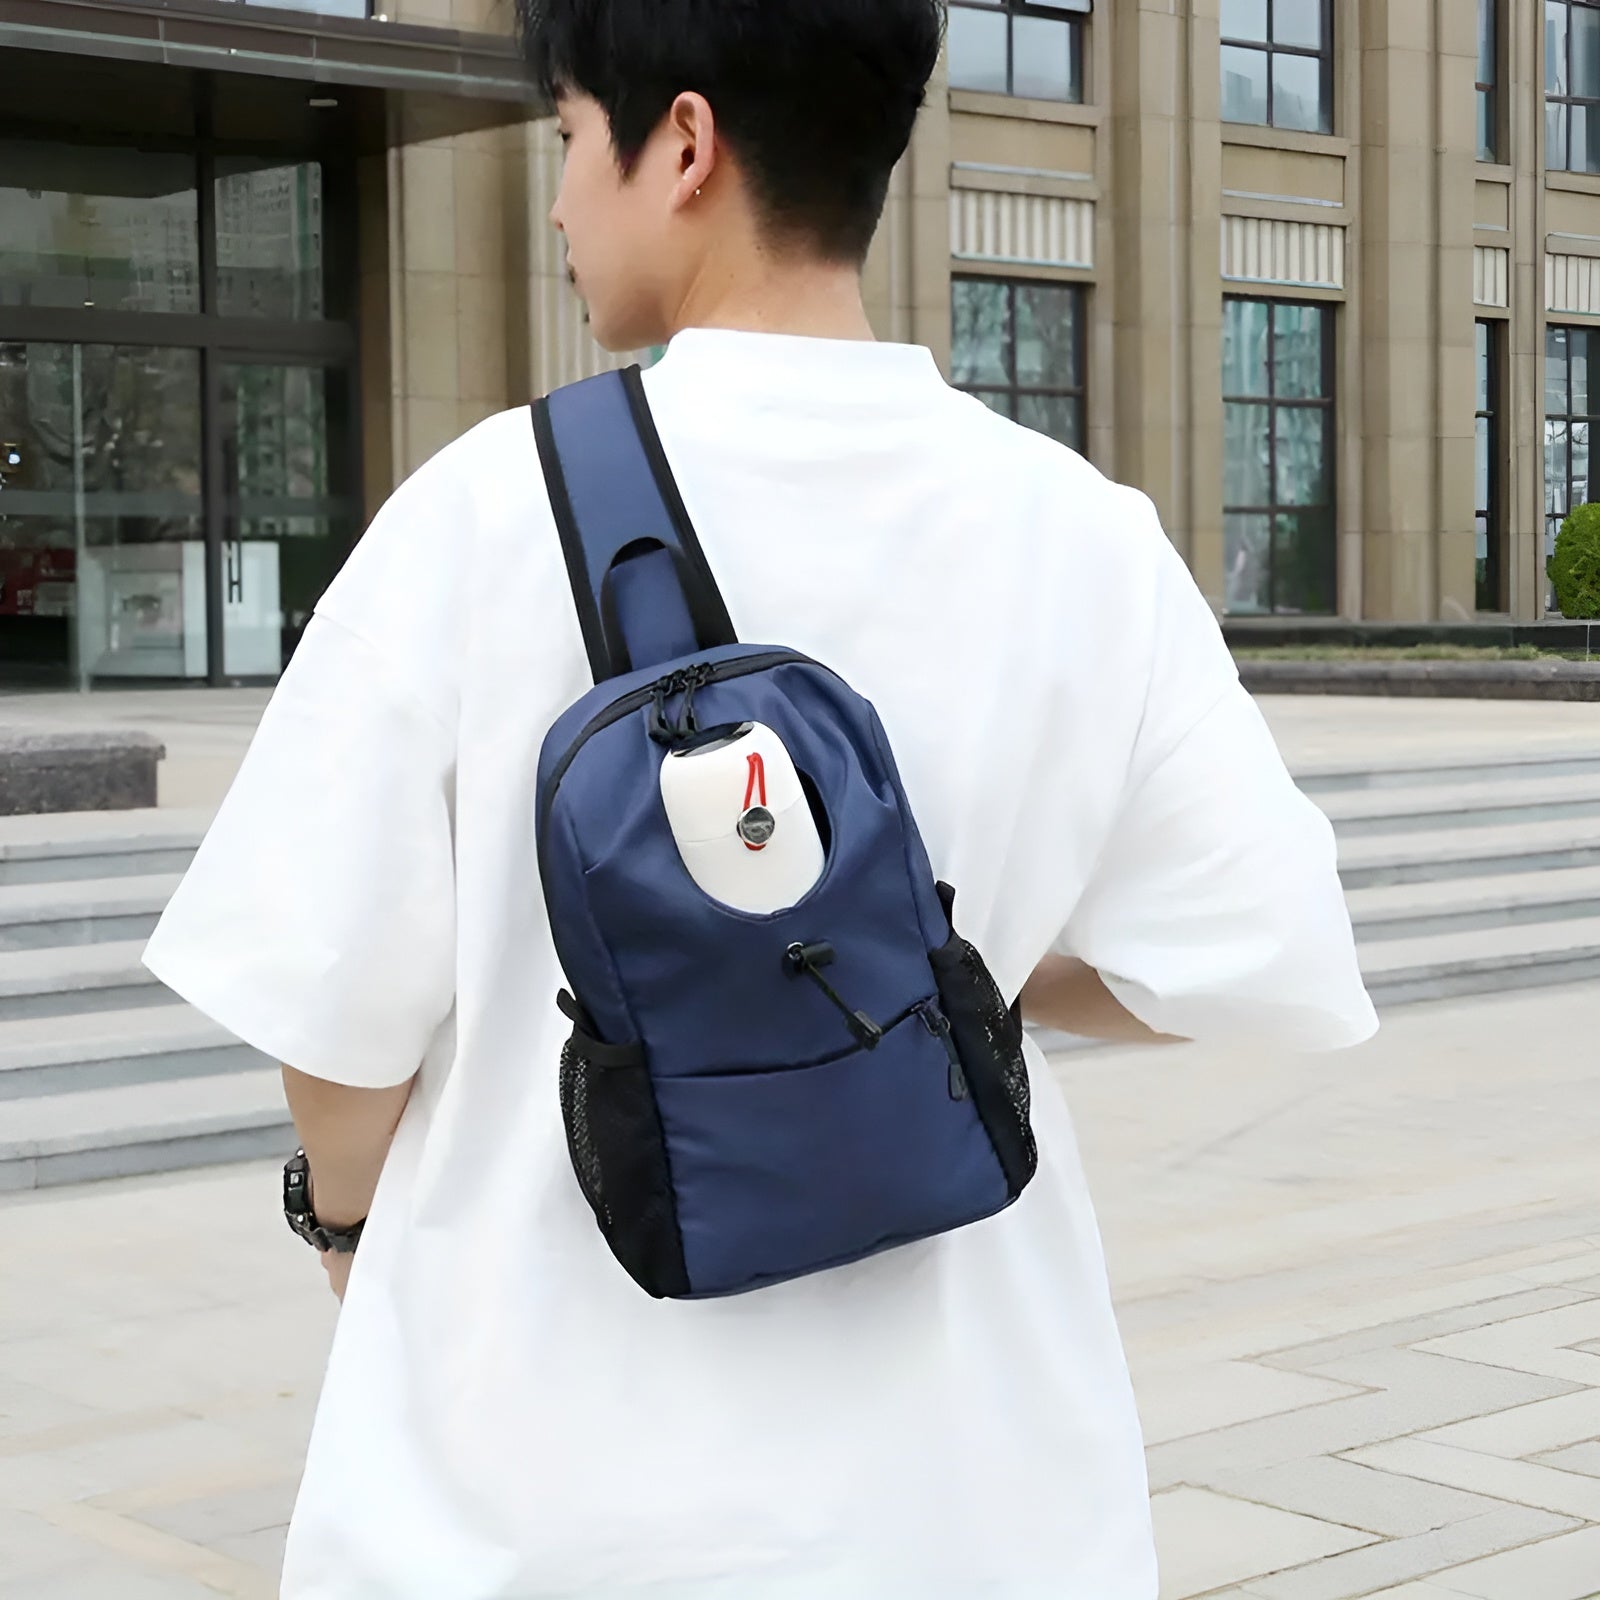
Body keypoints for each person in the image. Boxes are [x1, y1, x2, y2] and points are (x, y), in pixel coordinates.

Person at [142, 1, 1377, 1594]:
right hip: (972, 1500)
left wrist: (350, 1232)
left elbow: (337, 1037)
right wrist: (940, 970)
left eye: (572, 137)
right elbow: (1250, 959)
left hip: (535, 1501)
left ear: (686, 145)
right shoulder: (1085, 534)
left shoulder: (479, 511)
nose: (563, 200)